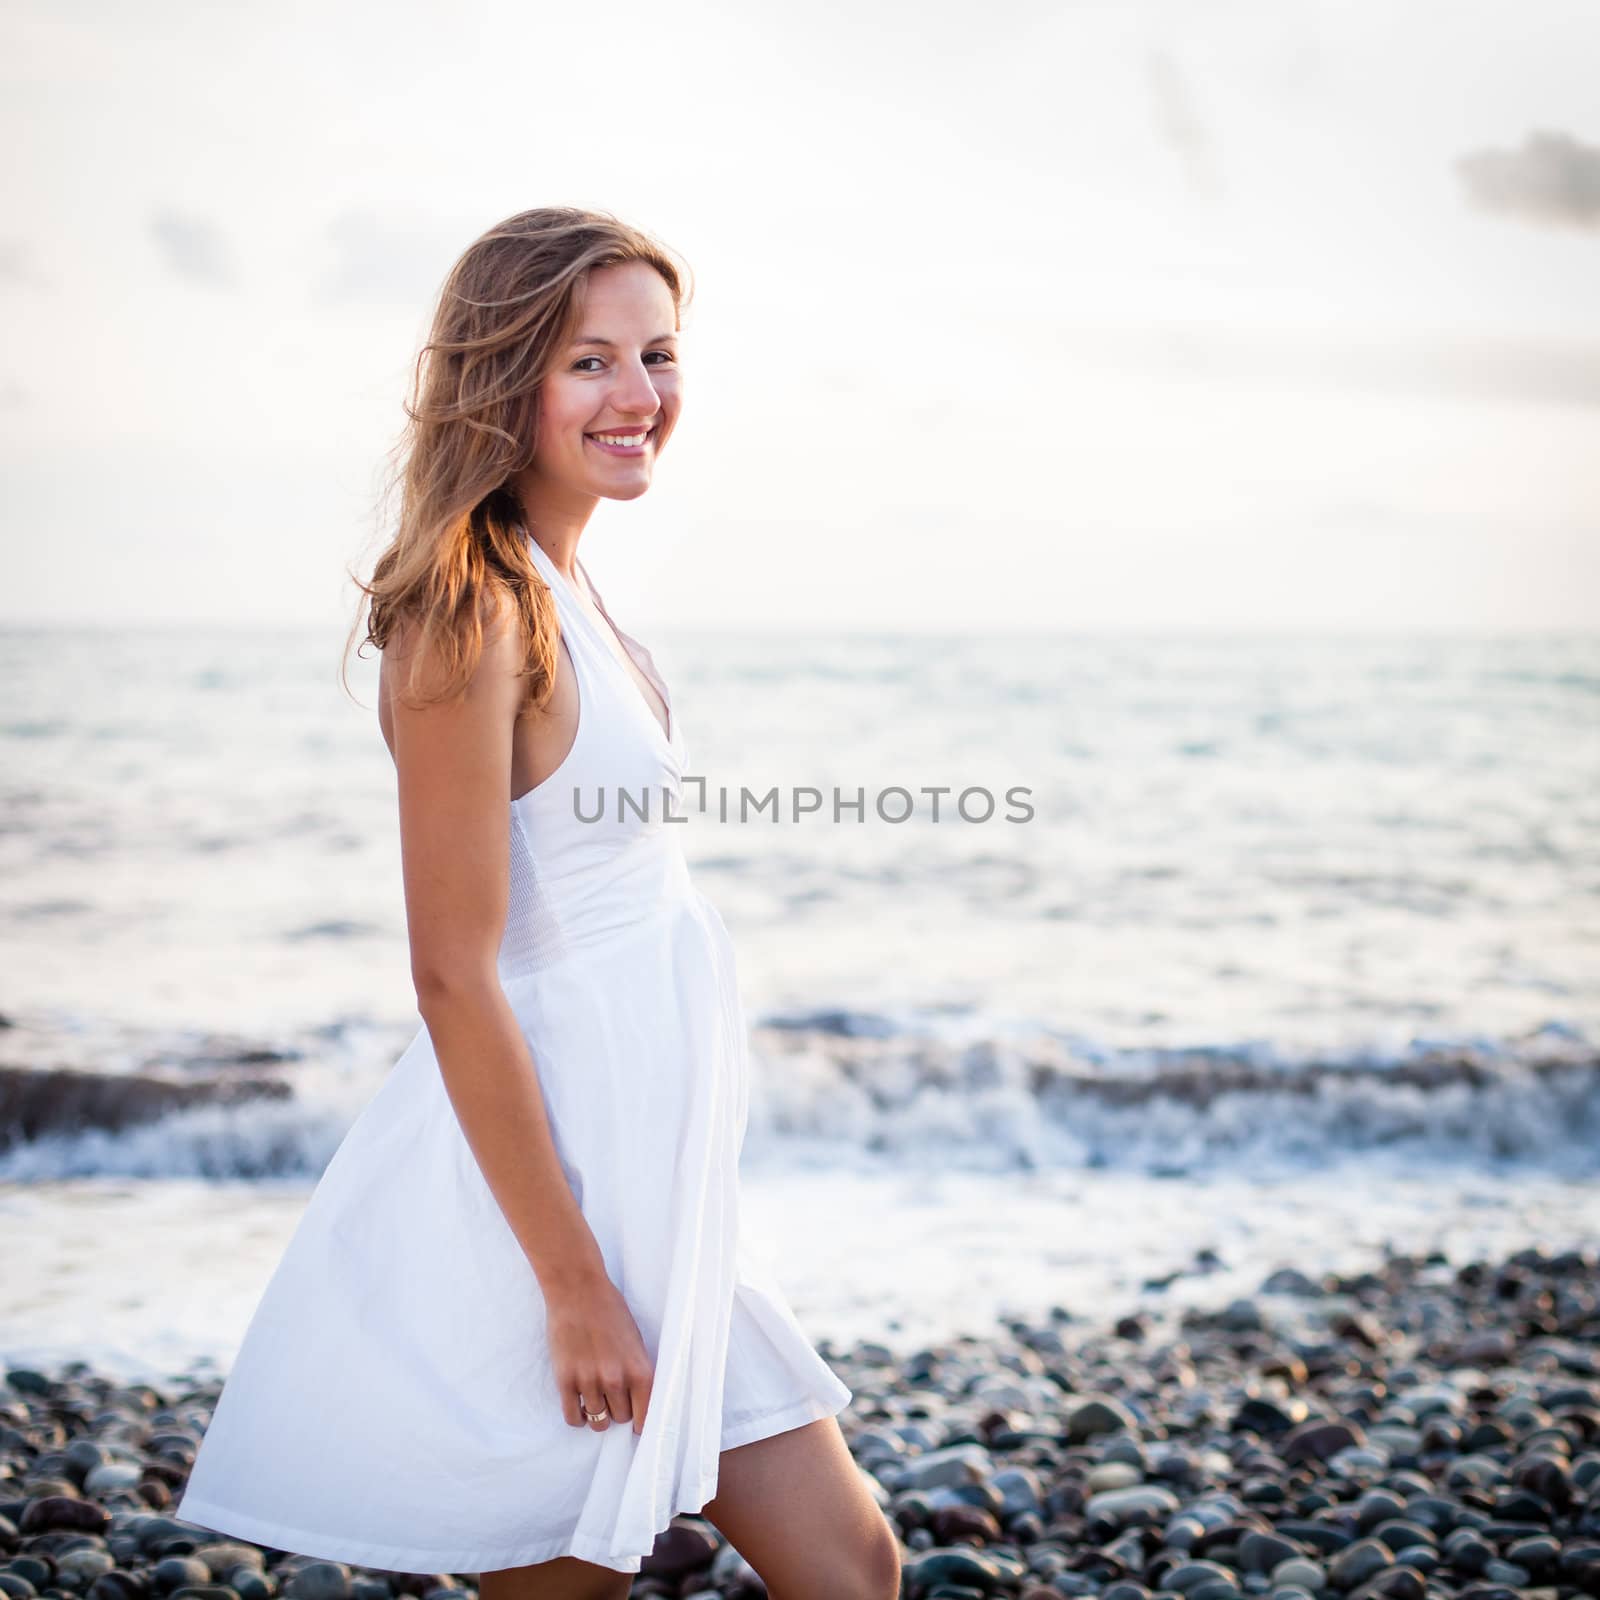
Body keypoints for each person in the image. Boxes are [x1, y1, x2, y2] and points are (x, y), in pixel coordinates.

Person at [171, 208, 901, 1598]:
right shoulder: (471, 608)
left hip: (656, 1190)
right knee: (580, 1582)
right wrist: (571, 1282)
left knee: (852, 1564)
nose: (639, 398)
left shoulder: (571, 587)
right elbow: (454, 972)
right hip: (561, 1196)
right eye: (590, 363)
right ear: (504, 379)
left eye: (658, 355)